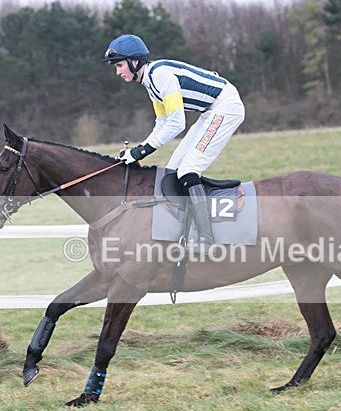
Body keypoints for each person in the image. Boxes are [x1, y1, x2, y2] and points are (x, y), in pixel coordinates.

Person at [102, 34, 245, 252]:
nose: (118, 72)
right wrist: (136, 152)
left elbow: (177, 123)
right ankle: (187, 232)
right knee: (172, 171)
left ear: (135, 61)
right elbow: (162, 123)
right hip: (209, 112)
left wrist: (141, 152)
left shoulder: (160, 76)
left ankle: (207, 240)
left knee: (188, 170)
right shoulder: (149, 82)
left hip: (225, 107)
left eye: (120, 65)